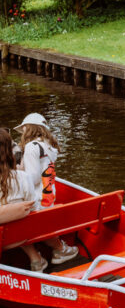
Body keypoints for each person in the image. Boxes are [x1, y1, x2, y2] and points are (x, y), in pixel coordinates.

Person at [15, 113, 78, 268]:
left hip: (35, 200)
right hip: (48, 197)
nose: (22, 132)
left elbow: (33, 178)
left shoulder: (31, 147)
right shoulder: (48, 146)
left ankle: (53, 252)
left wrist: (16, 171)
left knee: (15, 218)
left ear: (28, 128)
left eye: (23, 129)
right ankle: (58, 251)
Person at [0, 128, 50, 272]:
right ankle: (36, 259)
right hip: (23, 236)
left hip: (3, 241)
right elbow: (34, 208)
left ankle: (36, 259)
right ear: (10, 152)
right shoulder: (23, 177)